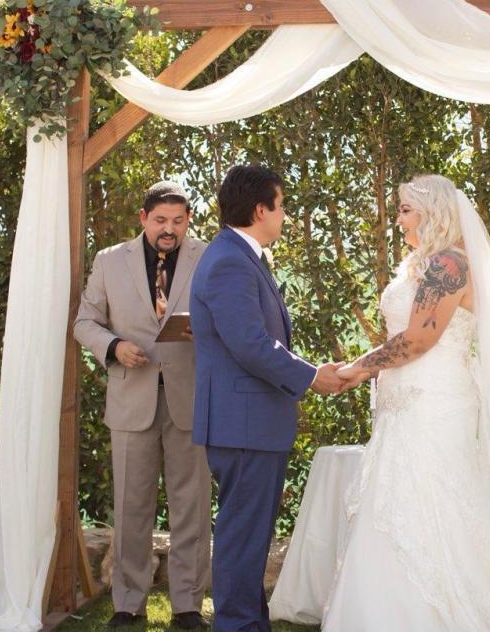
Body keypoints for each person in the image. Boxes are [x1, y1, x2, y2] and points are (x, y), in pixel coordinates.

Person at [325, 174, 490, 631]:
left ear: (431, 212)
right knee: (395, 499)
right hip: (403, 400)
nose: (399, 217)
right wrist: (367, 373)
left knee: (437, 497)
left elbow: (420, 339)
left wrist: (358, 368)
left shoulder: (449, 265)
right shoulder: (422, 264)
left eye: (405, 208)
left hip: (435, 399)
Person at [189, 164, 347, 632]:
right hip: (243, 424)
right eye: (281, 207)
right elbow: (250, 343)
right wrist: (310, 377)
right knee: (242, 535)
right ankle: (237, 625)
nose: (284, 218)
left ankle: (247, 623)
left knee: (250, 534)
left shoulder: (238, 256)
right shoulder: (230, 261)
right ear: (261, 209)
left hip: (250, 422)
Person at [73, 182, 211, 629]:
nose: (169, 229)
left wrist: (204, 331)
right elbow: (84, 322)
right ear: (143, 218)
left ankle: (188, 605)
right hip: (131, 395)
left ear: (187, 219)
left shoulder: (207, 256)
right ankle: (126, 603)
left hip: (190, 397)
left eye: (177, 221)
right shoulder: (110, 261)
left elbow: (228, 315)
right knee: (131, 505)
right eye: (160, 221)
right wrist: (113, 347)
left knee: (191, 503)